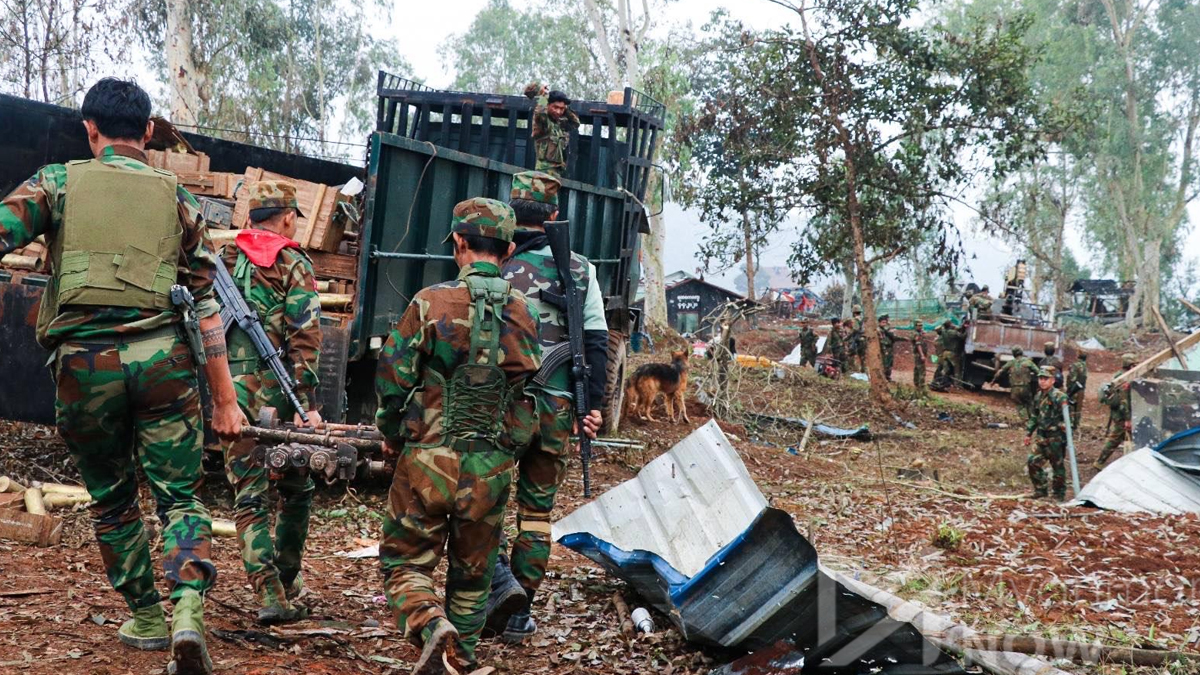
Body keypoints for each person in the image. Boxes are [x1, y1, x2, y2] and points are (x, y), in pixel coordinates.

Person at [0, 77, 244, 675]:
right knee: (181, 498)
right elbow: (208, 305)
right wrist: (225, 401)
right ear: (150, 131)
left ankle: (146, 616)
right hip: (164, 363)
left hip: (86, 370)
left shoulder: (58, 182)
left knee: (111, 501)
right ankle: (187, 605)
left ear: (91, 129)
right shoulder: (177, 197)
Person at [375, 197, 542, 675]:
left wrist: (391, 433)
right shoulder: (525, 313)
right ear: (508, 251)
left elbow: (391, 380)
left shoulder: (430, 302)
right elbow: (529, 391)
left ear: (459, 245)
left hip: (427, 462)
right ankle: (461, 661)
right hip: (489, 470)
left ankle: (431, 625)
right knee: (473, 580)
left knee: (405, 564)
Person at [487, 171, 606, 642]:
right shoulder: (580, 269)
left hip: (504, 406)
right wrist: (590, 405)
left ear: (513, 213)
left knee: (487, 502)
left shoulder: (494, 261)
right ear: (553, 215)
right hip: (557, 410)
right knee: (536, 513)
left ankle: (493, 585)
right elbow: (596, 342)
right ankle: (519, 611)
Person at [219, 180, 322, 625]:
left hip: (233, 392)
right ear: (286, 218)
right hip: (282, 392)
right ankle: (284, 578)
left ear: (249, 218)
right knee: (299, 487)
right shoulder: (293, 263)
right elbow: (305, 338)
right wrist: (309, 403)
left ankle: (271, 592)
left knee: (250, 497)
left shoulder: (225, 261)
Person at [1025, 367, 1070, 501]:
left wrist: (1061, 431)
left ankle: (1059, 494)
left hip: (1055, 438)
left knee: (1057, 467)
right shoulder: (1038, 396)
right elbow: (1035, 416)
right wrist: (1028, 433)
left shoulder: (1059, 397)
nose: (1042, 382)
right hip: (1041, 436)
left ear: (1053, 380)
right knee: (1032, 461)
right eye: (1040, 378)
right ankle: (1041, 490)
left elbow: (1068, 419)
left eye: (1046, 379)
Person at [524, 82, 581, 178]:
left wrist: (566, 108)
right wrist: (544, 96)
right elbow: (540, 112)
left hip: (557, 171)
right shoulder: (543, 123)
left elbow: (576, 123)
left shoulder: (559, 124)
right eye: (555, 107)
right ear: (548, 105)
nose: (558, 111)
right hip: (544, 171)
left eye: (561, 109)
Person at [1096, 354, 1135, 469]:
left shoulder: (1120, 375)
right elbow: (1124, 401)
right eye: (1133, 364)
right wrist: (1127, 419)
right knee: (1114, 440)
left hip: (1120, 413)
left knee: (1121, 438)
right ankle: (1099, 462)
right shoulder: (1124, 379)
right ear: (1130, 364)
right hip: (1122, 415)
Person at [992, 346, 1039, 422]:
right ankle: (1032, 420)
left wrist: (993, 381)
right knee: (1029, 403)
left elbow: (1000, 372)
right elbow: (1038, 372)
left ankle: (1024, 419)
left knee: (1019, 404)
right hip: (1025, 388)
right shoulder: (1028, 362)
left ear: (1013, 354)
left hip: (1014, 390)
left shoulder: (1011, 363)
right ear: (1022, 352)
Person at [1066, 352, 1089, 430]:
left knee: (1071, 406)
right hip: (1081, 389)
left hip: (1074, 389)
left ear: (1078, 356)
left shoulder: (1075, 365)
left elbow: (1073, 379)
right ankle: (1077, 424)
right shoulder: (1085, 366)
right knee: (1078, 407)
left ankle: (1071, 424)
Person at [878, 314, 899, 381]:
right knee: (885, 363)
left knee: (889, 363)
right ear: (879, 322)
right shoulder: (879, 330)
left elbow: (893, 337)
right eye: (883, 322)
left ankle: (888, 377)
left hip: (889, 348)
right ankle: (884, 377)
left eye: (885, 322)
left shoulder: (885, 330)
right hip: (884, 348)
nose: (884, 324)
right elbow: (881, 341)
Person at [911, 322, 928, 394]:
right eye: (919, 325)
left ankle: (917, 384)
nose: (920, 327)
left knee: (917, 369)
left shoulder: (920, 333)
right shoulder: (916, 334)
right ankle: (921, 386)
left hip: (920, 354)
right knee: (921, 370)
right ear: (915, 326)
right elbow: (918, 345)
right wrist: (922, 355)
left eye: (921, 325)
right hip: (919, 354)